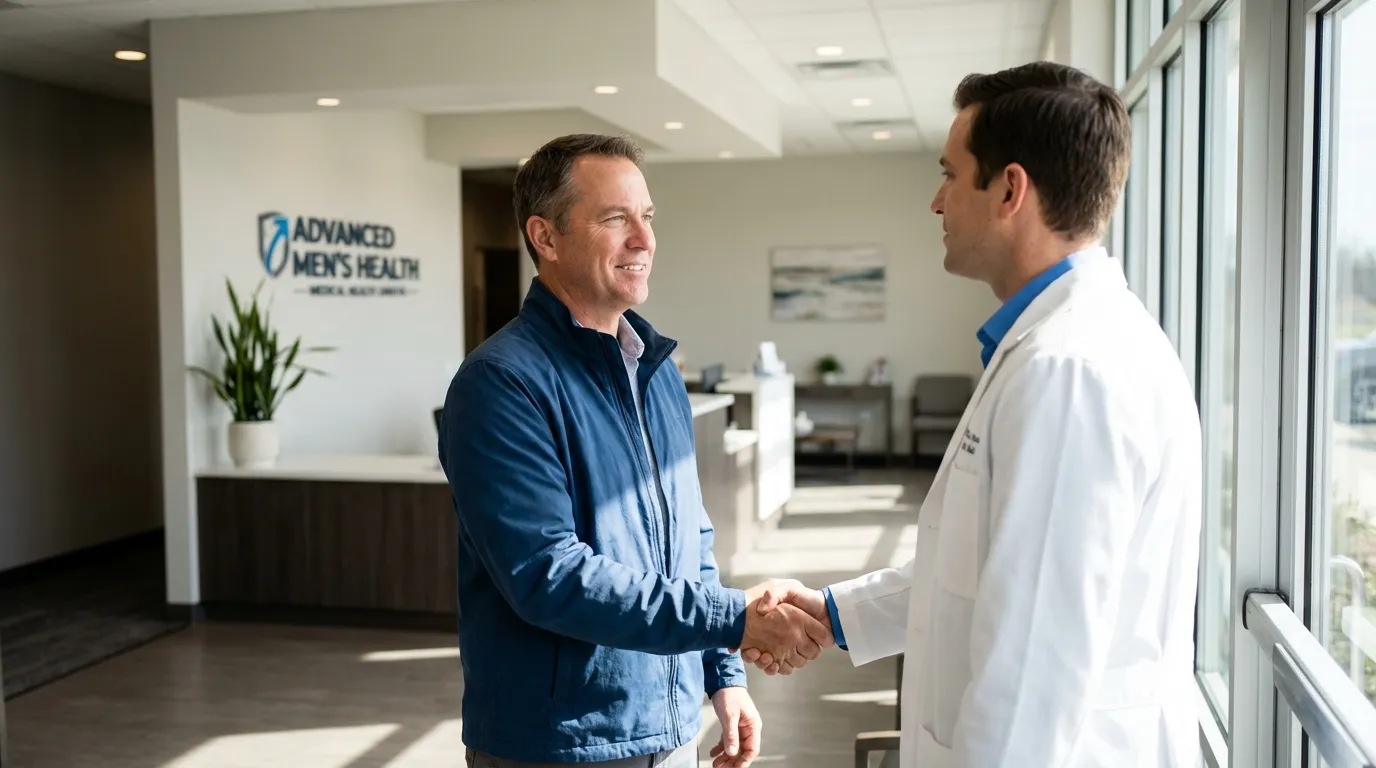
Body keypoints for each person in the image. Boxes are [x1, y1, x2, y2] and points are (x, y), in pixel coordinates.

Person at [743, 62, 1204, 767]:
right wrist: (831, 614)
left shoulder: (1067, 373)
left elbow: (1032, 674)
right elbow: (981, 570)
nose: (936, 202)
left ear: (1010, 190)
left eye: (950, 175)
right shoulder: (1054, 348)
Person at [438, 133, 832, 768]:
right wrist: (735, 618)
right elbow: (550, 577)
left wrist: (723, 676)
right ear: (545, 236)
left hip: (670, 729)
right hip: (559, 745)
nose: (645, 241)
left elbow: (689, 544)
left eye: (646, 217)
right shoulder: (501, 383)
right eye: (615, 218)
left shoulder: (655, 372)